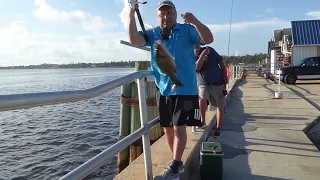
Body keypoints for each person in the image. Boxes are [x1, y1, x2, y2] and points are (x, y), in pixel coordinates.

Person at [127, 0, 213, 179]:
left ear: (175, 14)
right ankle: (177, 162)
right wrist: (131, 13)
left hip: (184, 88)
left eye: (169, 13)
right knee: (168, 128)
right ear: (157, 17)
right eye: (162, 14)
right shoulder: (153, 33)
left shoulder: (187, 30)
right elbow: (134, 40)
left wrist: (195, 21)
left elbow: (208, 38)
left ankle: (174, 166)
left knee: (179, 127)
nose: (166, 17)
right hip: (164, 89)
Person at [194, 44, 228, 137]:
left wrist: (224, 75)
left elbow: (221, 62)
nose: (195, 46)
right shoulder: (190, 54)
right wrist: (203, 54)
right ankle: (203, 121)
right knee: (202, 98)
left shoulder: (210, 50)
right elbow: (197, 67)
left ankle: (218, 128)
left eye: (197, 43)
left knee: (219, 106)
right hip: (203, 83)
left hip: (218, 83)